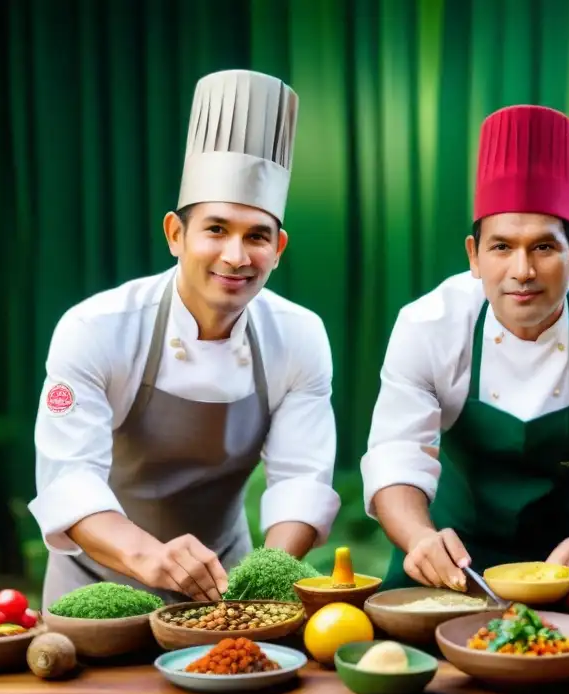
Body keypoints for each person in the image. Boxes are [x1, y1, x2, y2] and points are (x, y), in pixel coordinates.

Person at [29, 70, 341, 608]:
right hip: (95, 584)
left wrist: (262, 580)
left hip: (223, 585)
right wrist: (152, 558)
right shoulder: (96, 328)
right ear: (176, 234)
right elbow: (69, 479)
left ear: (280, 246)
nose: (236, 257)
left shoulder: (298, 335)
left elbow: (299, 482)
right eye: (216, 229)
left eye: (257, 236)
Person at [361, 104, 569, 607]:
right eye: (501, 247)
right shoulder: (427, 325)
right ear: (473, 255)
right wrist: (418, 539)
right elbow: (395, 454)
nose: (522, 270)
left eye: (543, 248)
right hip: (454, 568)